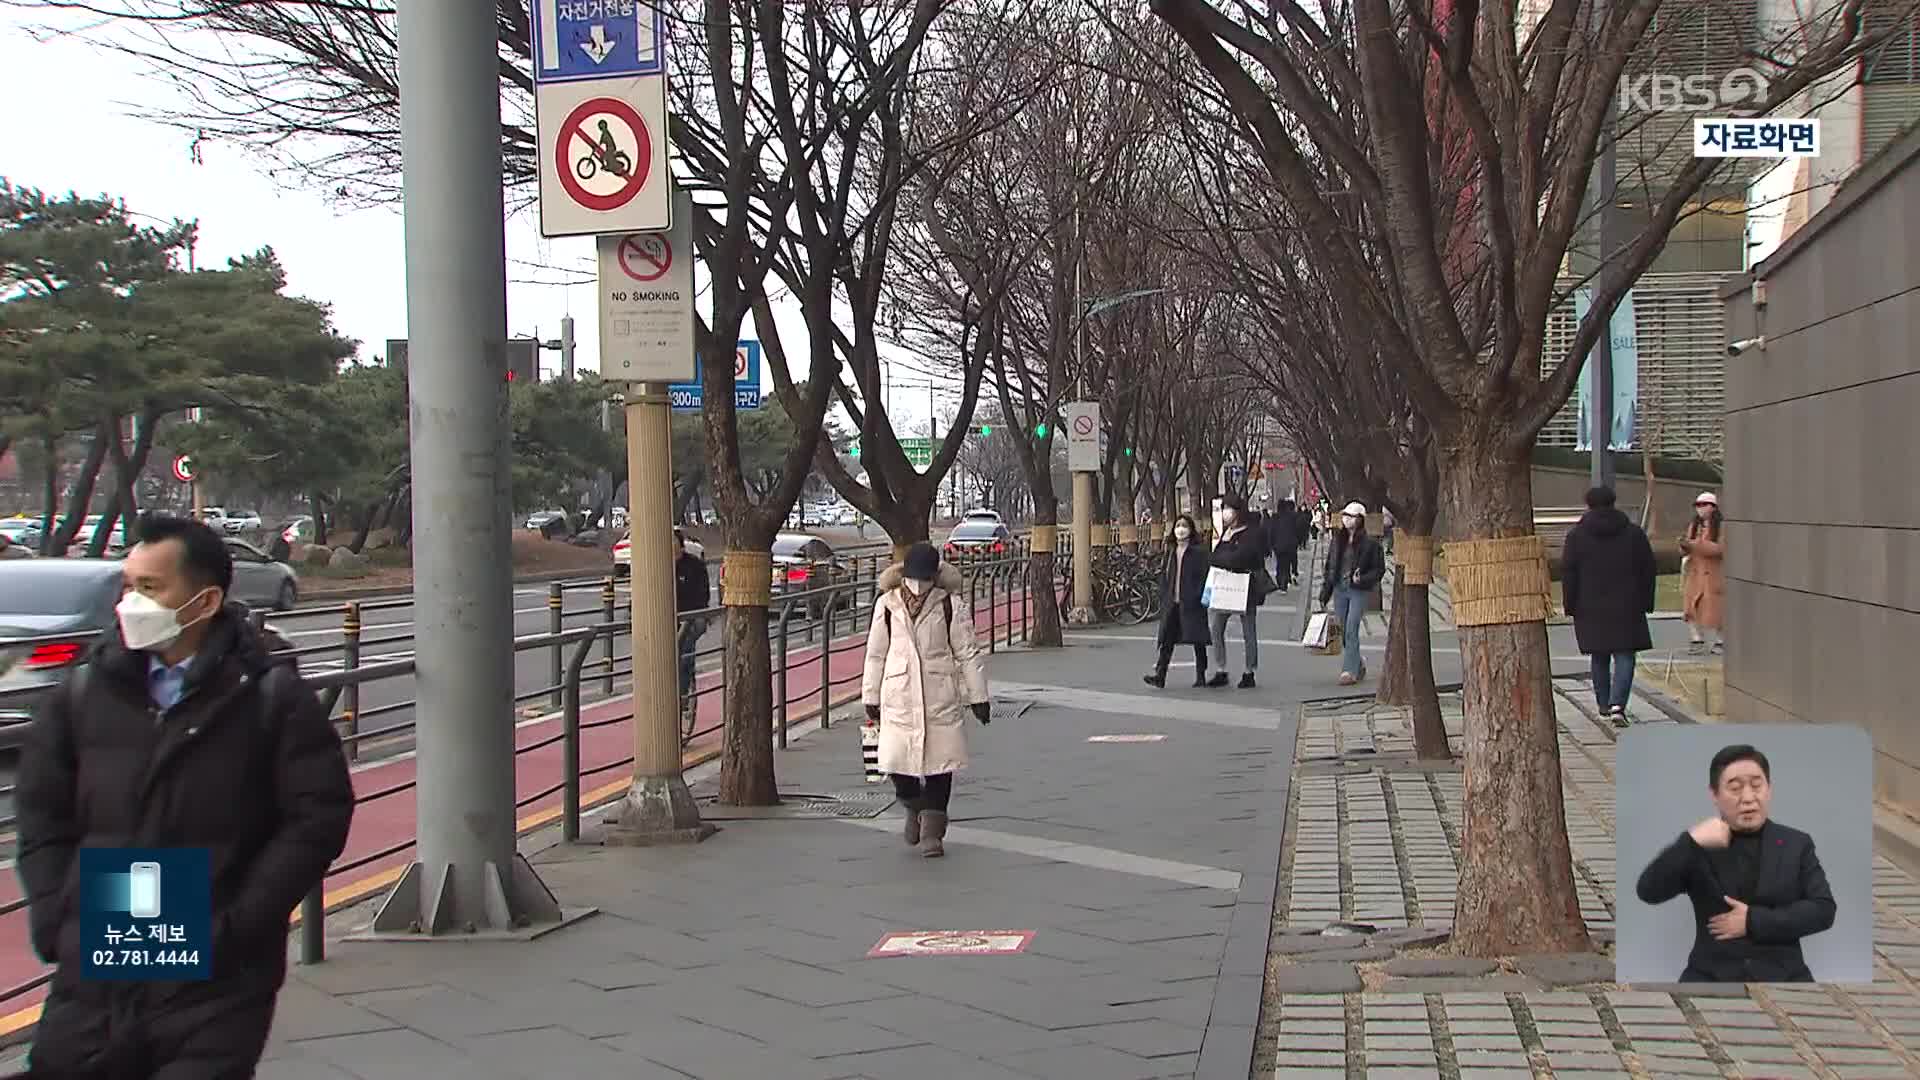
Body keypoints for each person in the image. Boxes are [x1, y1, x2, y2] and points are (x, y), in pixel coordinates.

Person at [16, 514, 354, 1077]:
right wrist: (57, 919)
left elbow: (316, 818)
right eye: (128, 587)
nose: (131, 604)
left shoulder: (269, 696)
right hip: (98, 959)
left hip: (216, 975)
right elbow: (42, 809)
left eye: (150, 589)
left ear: (204, 600)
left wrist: (240, 925)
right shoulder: (86, 688)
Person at [1634, 744, 1835, 982]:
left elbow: (1823, 910)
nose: (1748, 798)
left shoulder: (1796, 843)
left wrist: (1752, 921)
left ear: (1769, 789)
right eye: (1735, 788)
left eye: (1757, 786)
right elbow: (1648, 891)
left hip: (1786, 975)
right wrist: (1688, 841)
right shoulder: (1699, 845)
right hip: (1711, 976)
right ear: (1715, 795)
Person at [862, 543, 990, 858]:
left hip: (940, 694)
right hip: (899, 694)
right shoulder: (887, 605)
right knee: (896, 763)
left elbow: (967, 653)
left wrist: (979, 696)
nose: (918, 584)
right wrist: (871, 694)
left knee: (940, 765)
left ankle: (933, 830)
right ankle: (912, 806)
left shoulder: (950, 605)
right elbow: (876, 653)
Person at [1561, 486, 1657, 723]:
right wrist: (1646, 601)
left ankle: (1603, 703)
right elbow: (1648, 570)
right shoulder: (1633, 534)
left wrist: (1570, 604)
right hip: (1628, 603)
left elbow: (1569, 572)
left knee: (1599, 655)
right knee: (1625, 655)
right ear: (1614, 502)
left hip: (1589, 605)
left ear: (1588, 504)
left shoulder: (1577, 536)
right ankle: (1618, 705)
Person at [1318, 501, 1387, 686]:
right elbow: (1330, 567)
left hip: (1357, 590)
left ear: (1360, 520)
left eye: (1352, 516)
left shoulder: (1369, 544)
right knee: (1342, 629)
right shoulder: (1337, 541)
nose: (1348, 520)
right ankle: (1358, 663)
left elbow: (1379, 569)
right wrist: (1325, 592)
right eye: (1346, 515)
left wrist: (1362, 579)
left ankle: (1349, 671)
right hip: (1340, 589)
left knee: (1351, 627)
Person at [1205, 494, 1268, 690]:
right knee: (1215, 627)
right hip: (1222, 586)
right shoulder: (1223, 533)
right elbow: (1214, 556)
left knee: (1248, 630)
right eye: (1223, 509)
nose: (1225, 513)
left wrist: (1221, 559)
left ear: (1238, 511)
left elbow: (1240, 558)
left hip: (1244, 586)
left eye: (1228, 508)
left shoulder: (1251, 533)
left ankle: (1250, 671)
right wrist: (1221, 558)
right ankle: (1220, 668)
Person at [1144, 514, 1211, 689]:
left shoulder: (1198, 551)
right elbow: (1165, 575)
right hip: (1172, 601)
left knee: (1197, 639)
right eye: (1178, 525)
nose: (1181, 529)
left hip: (1192, 601)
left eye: (1184, 526)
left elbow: (1204, 576)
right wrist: (1164, 594)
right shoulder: (1171, 551)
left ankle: (1201, 674)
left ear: (1190, 530)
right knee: (1167, 638)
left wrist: (1198, 595)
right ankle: (1160, 674)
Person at [674, 528, 712, 732]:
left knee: (685, 651)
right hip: (670, 618)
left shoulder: (694, 566)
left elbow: (702, 595)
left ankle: (683, 693)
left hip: (692, 617)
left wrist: (696, 613)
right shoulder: (660, 566)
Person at [1681, 491, 1726, 655]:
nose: (1699, 509)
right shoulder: (1694, 525)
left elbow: (1720, 549)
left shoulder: (1721, 526)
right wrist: (1684, 545)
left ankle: (1720, 641)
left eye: (1703, 505)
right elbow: (1688, 546)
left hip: (1713, 573)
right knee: (1690, 606)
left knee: (1716, 607)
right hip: (1695, 571)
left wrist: (1697, 544)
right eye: (1697, 505)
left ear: (1713, 507)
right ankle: (1696, 638)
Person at [1265, 500, 1300, 590]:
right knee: (1287, 563)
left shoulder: (1275, 518)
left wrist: (1270, 545)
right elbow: (1297, 530)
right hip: (1290, 545)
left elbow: (1271, 532)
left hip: (1278, 546)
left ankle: (1281, 581)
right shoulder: (1292, 517)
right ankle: (1285, 579)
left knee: (1280, 564)